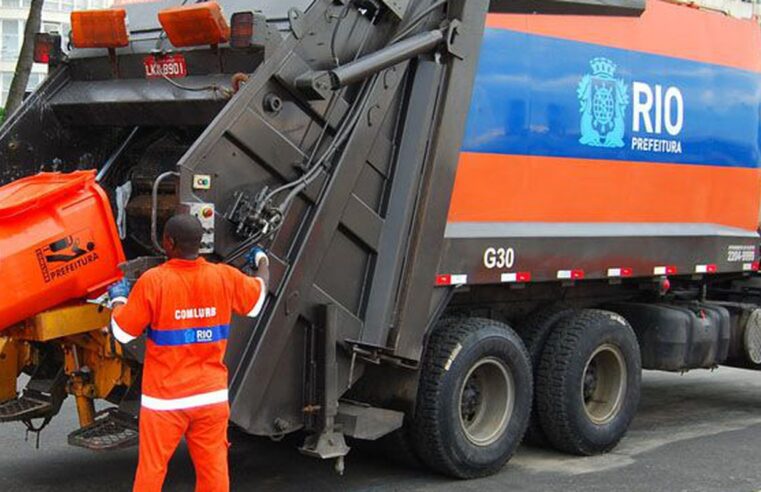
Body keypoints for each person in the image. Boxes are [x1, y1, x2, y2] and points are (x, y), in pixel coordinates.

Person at [107, 213, 269, 492]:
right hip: (210, 397)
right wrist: (262, 260)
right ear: (201, 242)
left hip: (165, 401)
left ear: (168, 243)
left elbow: (122, 333)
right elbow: (258, 297)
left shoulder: (154, 281)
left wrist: (118, 298)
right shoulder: (223, 276)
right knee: (214, 472)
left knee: (152, 470)